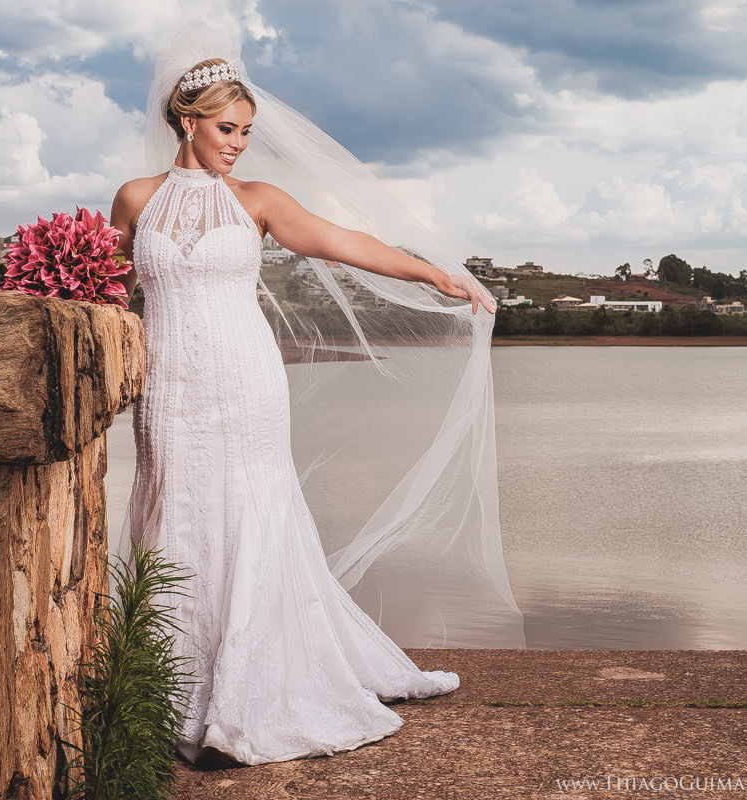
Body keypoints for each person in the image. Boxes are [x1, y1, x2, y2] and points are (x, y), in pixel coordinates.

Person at [110, 35, 520, 766]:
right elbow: (103, 290)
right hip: (167, 390)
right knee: (174, 508)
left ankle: (249, 689)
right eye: (225, 129)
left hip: (244, 382)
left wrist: (436, 277)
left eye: (245, 132)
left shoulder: (259, 202)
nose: (237, 145)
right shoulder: (136, 199)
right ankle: (164, 685)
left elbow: (342, 241)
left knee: (249, 513)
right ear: (185, 119)